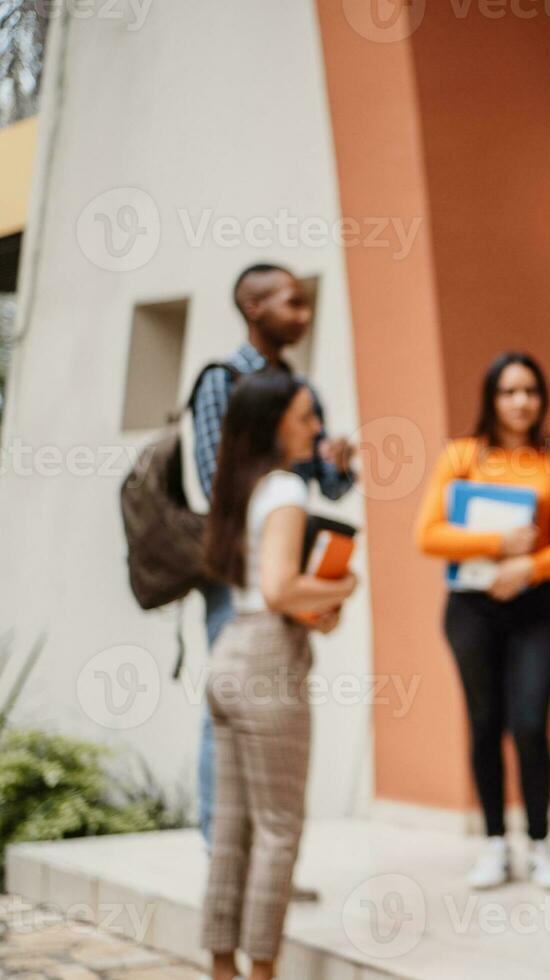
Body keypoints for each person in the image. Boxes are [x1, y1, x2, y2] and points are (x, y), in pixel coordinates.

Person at [200, 370, 358, 980]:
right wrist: (348, 581)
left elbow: (264, 591)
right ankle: (262, 970)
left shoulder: (242, 486)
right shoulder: (287, 489)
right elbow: (279, 589)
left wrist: (314, 603)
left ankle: (221, 964)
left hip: (229, 653)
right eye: (304, 416)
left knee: (232, 828)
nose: (316, 427)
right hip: (267, 662)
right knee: (278, 829)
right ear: (274, 424)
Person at [193, 263, 357, 846]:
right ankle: (223, 846)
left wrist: (335, 465)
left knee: (269, 725)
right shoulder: (221, 382)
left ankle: (257, 857)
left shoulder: (300, 389)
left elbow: (325, 486)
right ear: (253, 307)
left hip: (283, 564)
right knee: (231, 716)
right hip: (238, 578)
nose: (305, 316)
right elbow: (221, 488)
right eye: (293, 303)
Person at [414, 351, 550, 891]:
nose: (521, 402)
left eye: (530, 391)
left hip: (533, 608)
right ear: (492, 397)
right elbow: (428, 534)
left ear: (543, 398)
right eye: (509, 391)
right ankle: (494, 843)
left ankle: (539, 842)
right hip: (471, 608)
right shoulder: (462, 456)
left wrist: (526, 566)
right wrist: (495, 544)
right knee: (484, 723)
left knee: (530, 724)